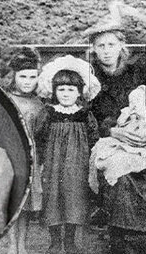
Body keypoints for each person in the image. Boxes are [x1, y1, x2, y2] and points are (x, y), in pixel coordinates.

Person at [86, 20, 146, 254]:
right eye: (101, 46)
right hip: (110, 139)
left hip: (142, 137)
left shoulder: (136, 72)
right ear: (94, 49)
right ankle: (121, 239)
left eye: (111, 44)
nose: (106, 51)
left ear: (121, 46)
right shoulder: (89, 76)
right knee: (121, 176)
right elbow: (86, 116)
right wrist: (113, 131)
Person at [35, 55, 100, 254]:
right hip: (53, 164)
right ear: (54, 91)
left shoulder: (84, 114)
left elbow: (94, 138)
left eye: (71, 90)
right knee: (53, 198)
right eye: (61, 89)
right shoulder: (48, 113)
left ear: (79, 92)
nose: (65, 94)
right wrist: (41, 161)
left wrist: (91, 162)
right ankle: (55, 241)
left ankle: (70, 241)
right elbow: (40, 137)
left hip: (77, 164)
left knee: (75, 198)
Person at [4, 48, 44, 254]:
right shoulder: (6, 99)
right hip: (10, 154)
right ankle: (12, 244)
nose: (27, 82)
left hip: (31, 157)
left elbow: (41, 133)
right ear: (14, 77)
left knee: (26, 202)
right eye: (23, 77)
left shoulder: (39, 104)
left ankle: (23, 244)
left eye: (32, 77)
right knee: (13, 200)